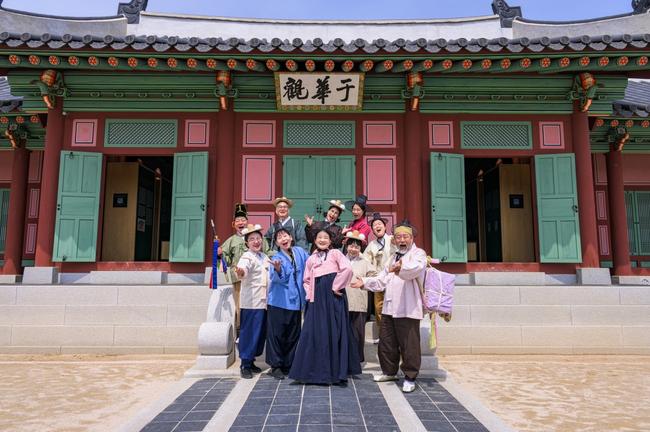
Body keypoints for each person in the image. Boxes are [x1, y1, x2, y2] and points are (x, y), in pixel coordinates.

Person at [350, 219, 427, 393]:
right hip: (389, 307)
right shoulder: (393, 257)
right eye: (399, 237)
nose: (402, 240)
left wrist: (401, 267)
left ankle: (410, 376)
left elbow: (415, 269)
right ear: (394, 240)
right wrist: (365, 282)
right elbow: (381, 280)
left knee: (409, 344)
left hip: (408, 308)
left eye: (405, 237)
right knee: (387, 342)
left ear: (411, 239)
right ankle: (389, 372)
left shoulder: (418, 254)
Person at [289, 227, 361, 385]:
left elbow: (347, 269)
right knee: (315, 332)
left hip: (334, 296)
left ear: (330, 241)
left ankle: (336, 372)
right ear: (315, 241)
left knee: (335, 329)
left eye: (325, 237)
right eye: (319, 237)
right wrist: (309, 295)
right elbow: (306, 280)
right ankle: (312, 371)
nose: (322, 240)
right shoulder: (311, 258)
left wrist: (336, 286)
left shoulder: (335, 253)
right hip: (316, 299)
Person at [219, 203, 270, 335]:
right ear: (233, 224)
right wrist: (220, 255)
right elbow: (226, 260)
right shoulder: (231, 240)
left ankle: (260, 331)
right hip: (239, 278)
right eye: (238, 220)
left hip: (258, 279)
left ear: (247, 222)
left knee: (260, 304)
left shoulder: (258, 238)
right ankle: (240, 331)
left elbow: (268, 253)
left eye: (243, 220)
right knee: (240, 305)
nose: (241, 222)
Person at [266, 227, 309, 379]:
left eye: (285, 235)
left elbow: (310, 263)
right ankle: (276, 365)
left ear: (291, 237)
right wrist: (278, 269)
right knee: (276, 334)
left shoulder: (300, 252)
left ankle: (289, 364)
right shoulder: (276, 257)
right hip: (278, 302)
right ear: (277, 243)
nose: (283, 239)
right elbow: (278, 279)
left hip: (296, 302)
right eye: (279, 237)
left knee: (293, 335)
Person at [235, 224, 271, 379]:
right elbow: (243, 269)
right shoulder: (246, 257)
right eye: (252, 239)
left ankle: (251, 361)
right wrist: (241, 272)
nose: (256, 241)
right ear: (246, 243)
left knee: (259, 332)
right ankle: (245, 363)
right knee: (249, 332)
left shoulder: (264, 257)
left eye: (258, 238)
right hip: (251, 301)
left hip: (264, 301)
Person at [343, 230, 376, 363]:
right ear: (347, 246)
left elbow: (375, 276)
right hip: (342, 301)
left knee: (357, 332)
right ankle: (344, 359)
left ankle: (357, 360)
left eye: (357, 247)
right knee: (343, 331)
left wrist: (364, 281)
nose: (354, 249)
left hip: (359, 301)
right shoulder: (341, 260)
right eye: (351, 246)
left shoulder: (365, 262)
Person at [363, 213, 396, 332]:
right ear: (372, 230)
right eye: (374, 225)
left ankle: (394, 333)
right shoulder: (371, 245)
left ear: (385, 227)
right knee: (379, 307)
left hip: (393, 279)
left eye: (379, 224)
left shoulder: (393, 239)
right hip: (379, 280)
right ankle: (383, 334)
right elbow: (365, 261)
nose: (377, 226)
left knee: (393, 307)